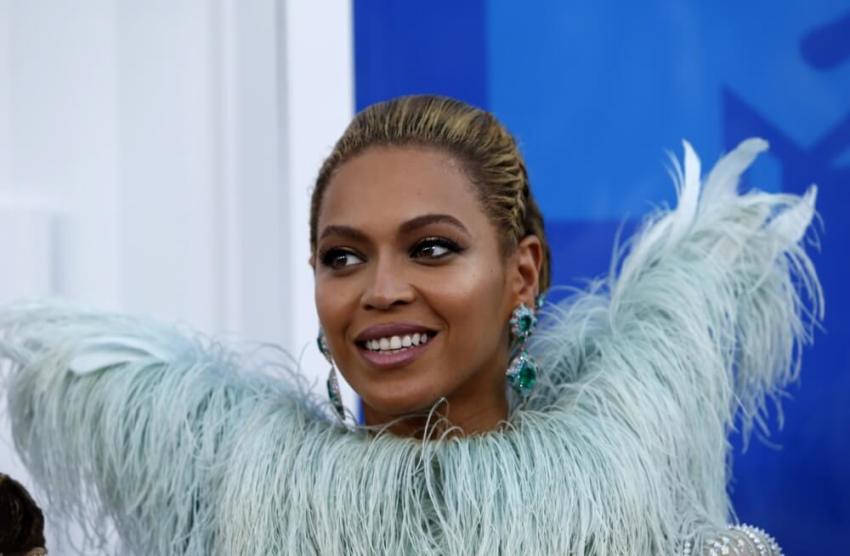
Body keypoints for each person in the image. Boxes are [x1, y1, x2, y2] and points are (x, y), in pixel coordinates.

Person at [0, 95, 819, 554]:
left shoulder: (642, 517)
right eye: (343, 257)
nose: (381, 290)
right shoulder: (239, 512)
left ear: (521, 274)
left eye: (431, 248)